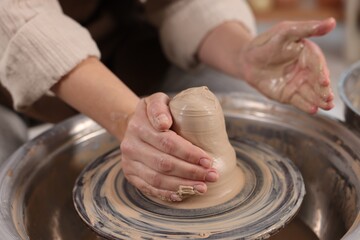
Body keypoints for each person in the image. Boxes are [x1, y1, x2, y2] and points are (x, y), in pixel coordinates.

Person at [0, 0, 336, 202]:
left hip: (128, 40)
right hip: (12, 58)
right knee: (8, 181)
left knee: (234, 94)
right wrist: (127, 119)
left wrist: (242, 54)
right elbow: (18, 21)